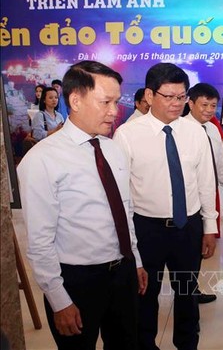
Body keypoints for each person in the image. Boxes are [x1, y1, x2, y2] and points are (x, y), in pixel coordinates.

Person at [17, 60, 147, 350]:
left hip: (122, 272)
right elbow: (39, 242)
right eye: (106, 102)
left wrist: (134, 260)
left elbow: (124, 211)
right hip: (77, 281)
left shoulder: (113, 149)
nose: (115, 111)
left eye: (116, 101)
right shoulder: (42, 160)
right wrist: (59, 300)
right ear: (75, 100)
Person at [113, 63, 217, 350]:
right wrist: (130, 246)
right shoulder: (127, 134)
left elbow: (206, 182)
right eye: (169, 96)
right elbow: (122, 196)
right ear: (149, 95)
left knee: (187, 294)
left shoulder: (195, 132)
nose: (176, 104)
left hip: (188, 227)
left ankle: (187, 344)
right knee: (146, 297)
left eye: (181, 97)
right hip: (148, 229)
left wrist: (210, 227)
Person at [184, 83, 223, 304]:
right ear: (190, 103)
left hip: (208, 197)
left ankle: (192, 289)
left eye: (213, 105)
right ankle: (186, 291)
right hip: (188, 200)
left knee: (199, 249)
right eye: (204, 105)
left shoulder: (211, 130)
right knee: (189, 249)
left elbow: (221, 164)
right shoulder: (180, 129)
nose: (209, 110)